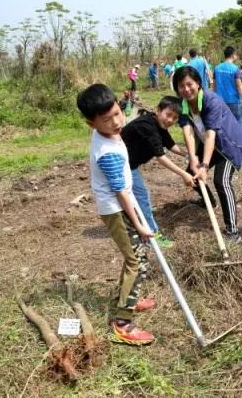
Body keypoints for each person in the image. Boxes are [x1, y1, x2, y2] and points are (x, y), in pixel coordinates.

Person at [76, 83, 155, 345]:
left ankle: (128, 296)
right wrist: (140, 224)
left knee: (134, 257)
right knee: (137, 261)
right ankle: (122, 322)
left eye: (117, 113)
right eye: (107, 120)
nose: (117, 122)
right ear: (92, 124)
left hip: (122, 204)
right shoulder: (106, 152)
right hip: (116, 209)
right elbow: (120, 192)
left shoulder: (110, 134)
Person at [173, 66, 242, 243]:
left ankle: (233, 233)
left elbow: (210, 134)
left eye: (189, 84)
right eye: (181, 86)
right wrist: (193, 158)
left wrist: (205, 165)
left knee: (221, 180)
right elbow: (188, 131)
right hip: (210, 145)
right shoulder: (182, 104)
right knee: (192, 174)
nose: (186, 89)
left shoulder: (211, 100)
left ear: (198, 83)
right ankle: (210, 202)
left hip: (228, 144)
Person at [121, 96, 195, 249]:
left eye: (174, 118)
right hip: (122, 166)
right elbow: (161, 157)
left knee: (138, 197)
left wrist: (189, 156)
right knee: (142, 197)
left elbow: (170, 144)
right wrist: (184, 174)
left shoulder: (159, 124)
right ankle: (152, 236)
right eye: (168, 115)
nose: (170, 120)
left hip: (130, 165)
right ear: (158, 110)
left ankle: (136, 217)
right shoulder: (147, 126)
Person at [213, 46, 242, 127]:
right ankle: (239, 139)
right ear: (232, 55)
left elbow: (214, 85)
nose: (236, 56)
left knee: (223, 124)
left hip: (220, 101)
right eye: (236, 54)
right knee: (238, 123)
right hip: (234, 101)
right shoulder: (235, 69)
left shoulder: (217, 68)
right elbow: (239, 86)